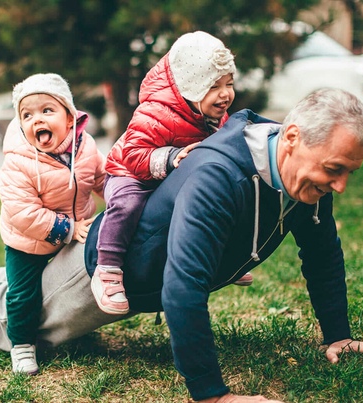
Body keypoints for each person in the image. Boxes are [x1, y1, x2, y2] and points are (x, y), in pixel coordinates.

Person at [0, 88, 363, 403]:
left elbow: (323, 253)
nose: (341, 186)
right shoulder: (222, 175)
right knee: (11, 320)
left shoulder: (300, 178)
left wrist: (338, 335)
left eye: (349, 171)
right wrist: (211, 394)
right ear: (291, 139)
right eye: (335, 169)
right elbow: (183, 286)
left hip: (132, 271)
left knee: (19, 292)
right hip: (103, 272)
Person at [93, 31, 252, 315]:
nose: (225, 93)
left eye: (229, 83)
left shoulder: (212, 115)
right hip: (130, 172)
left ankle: (221, 258)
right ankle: (107, 268)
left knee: (211, 201)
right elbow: (132, 154)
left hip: (172, 174)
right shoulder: (154, 112)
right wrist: (169, 157)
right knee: (127, 205)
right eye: (214, 86)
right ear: (190, 87)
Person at [0, 73, 105, 375]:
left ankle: (78, 325)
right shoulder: (18, 161)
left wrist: (119, 195)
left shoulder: (85, 147)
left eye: (47, 110)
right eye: (27, 115)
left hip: (76, 227)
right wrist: (68, 230)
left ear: (70, 118)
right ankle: (21, 345)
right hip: (28, 240)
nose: (37, 120)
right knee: (23, 293)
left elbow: (101, 178)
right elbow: (22, 212)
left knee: (76, 280)